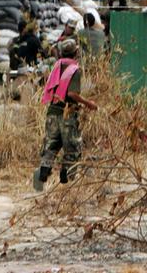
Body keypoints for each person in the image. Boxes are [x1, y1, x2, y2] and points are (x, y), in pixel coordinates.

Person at [33, 38, 98, 191]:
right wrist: (89, 104)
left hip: (52, 112)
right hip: (67, 114)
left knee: (50, 147)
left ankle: (41, 179)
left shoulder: (57, 66)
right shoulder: (74, 69)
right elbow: (72, 93)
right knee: (72, 148)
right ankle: (67, 184)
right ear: (76, 53)